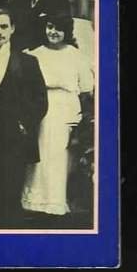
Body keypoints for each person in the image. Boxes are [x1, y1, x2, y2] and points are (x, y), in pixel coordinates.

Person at [0, 8, 48, 228]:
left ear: (12, 29)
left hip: (14, 140)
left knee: (11, 194)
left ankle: (10, 241)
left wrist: (24, 124)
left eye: (4, 26)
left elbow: (40, 100)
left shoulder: (28, 62)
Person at [22, 15, 94, 216]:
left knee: (61, 157)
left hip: (67, 110)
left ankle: (58, 201)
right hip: (42, 109)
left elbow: (86, 87)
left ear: (67, 31)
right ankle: (35, 202)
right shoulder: (35, 54)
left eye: (59, 28)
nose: (53, 32)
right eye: (50, 27)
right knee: (42, 155)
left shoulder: (76, 55)